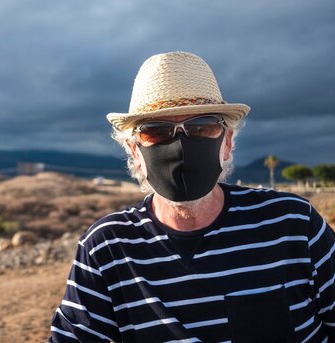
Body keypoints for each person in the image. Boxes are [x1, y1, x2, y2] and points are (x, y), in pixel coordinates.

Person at [49, 51, 335, 342]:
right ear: (135, 151)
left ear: (227, 143)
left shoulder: (294, 224)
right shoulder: (107, 247)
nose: (180, 146)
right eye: (156, 132)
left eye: (202, 127)